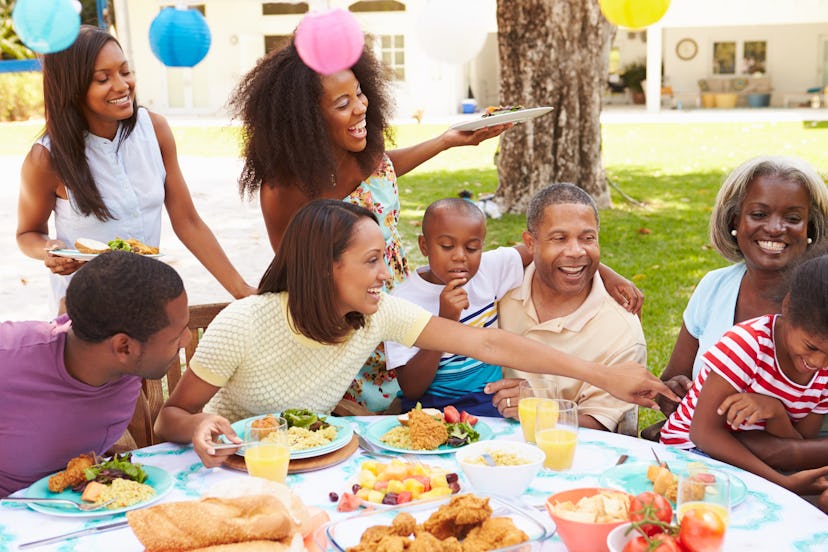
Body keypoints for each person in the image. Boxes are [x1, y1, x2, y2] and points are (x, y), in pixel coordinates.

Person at [153, 199, 676, 468]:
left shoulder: (376, 314)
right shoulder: (245, 323)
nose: (387, 274)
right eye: (373, 261)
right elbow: (169, 420)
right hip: (223, 471)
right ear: (326, 268)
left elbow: (490, 343)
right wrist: (199, 427)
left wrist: (603, 376)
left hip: (306, 467)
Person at [228, 37, 512, 413]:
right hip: (346, 328)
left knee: (412, 418)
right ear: (307, 119)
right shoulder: (284, 188)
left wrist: (446, 142)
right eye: (343, 104)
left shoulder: (364, 153)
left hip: (402, 311)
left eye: (360, 93)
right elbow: (294, 273)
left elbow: (384, 171)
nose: (361, 107)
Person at [16, 25, 254, 315]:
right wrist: (50, 250)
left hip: (147, 301)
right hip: (84, 312)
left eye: (125, 72)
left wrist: (241, 290)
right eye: (103, 78)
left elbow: (188, 221)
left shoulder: (155, 130)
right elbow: (27, 233)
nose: (121, 85)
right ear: (72, 88)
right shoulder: (46, 159)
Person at [386, 197, 643, 417]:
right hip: (430, 409)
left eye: (472, 248)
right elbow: (411, 388)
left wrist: (606, 273)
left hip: (490, 403)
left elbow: (544, 249)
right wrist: (446, 323)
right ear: (424, 246)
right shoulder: (403, 302)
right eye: (447, 246)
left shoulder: (489, 269)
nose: (460, 256)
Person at [643, 155, 828, 442]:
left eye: (792, 218)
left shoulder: (821, 300)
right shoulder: (714, 286)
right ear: (735, 220)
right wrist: (672, 393)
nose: (775, 228)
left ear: (810, 230)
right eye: (759, 214)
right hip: (706, 455)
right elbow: (672, 378)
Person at [0, 251, 189, 497]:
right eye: (176, 337)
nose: (186, 341)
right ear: (123, 347)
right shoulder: (9, 361)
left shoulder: (111, 344)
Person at [659, 254, 828, 497]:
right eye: (811, 347)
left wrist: (776, 412)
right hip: (689, 452)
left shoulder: (823, 373)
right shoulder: (748, 344)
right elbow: (703, 433)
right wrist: (781, 483)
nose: (818, 362)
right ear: (788, 306)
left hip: (752, 458)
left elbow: (798, 443)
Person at [480, 184, 646, 431]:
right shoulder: (499, 288)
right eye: (559, 238)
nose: (576, 251)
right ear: (530, 243)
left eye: (587, 238)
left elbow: (602, 425)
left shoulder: (622, 331)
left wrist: (537, 410)